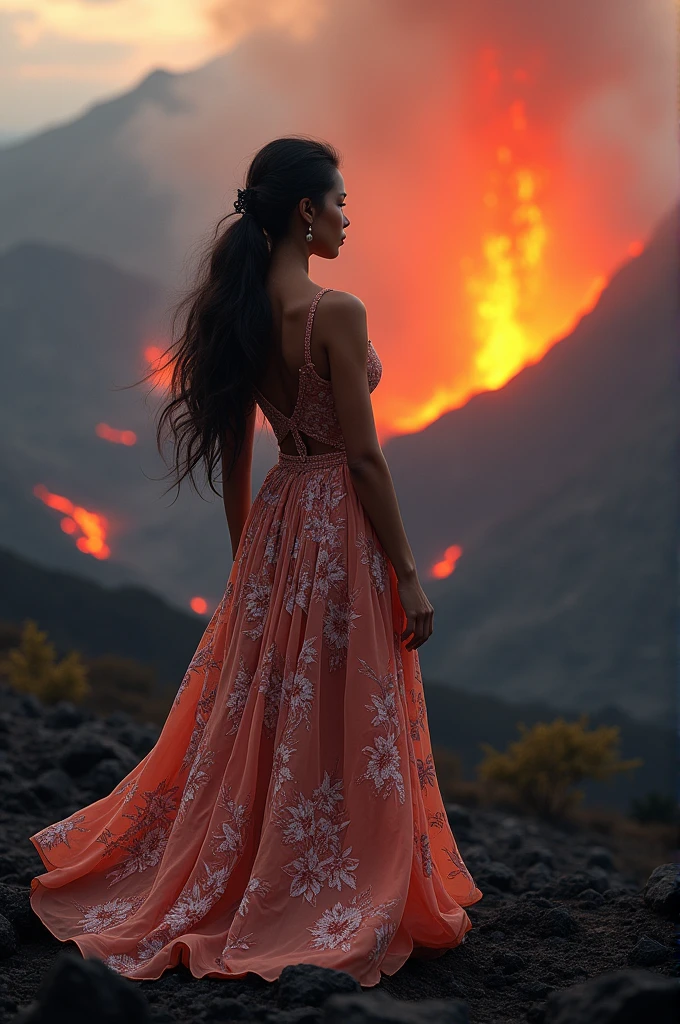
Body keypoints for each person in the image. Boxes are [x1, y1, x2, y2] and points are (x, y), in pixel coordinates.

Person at [28, 136, 483, 987]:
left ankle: (265, 865)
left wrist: (251, 564)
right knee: (350, 696)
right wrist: (410, 572)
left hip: (279, 517)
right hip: (338, 518)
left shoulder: (236, 310)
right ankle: (333, 878)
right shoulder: (334, 312)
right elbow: (364, 458)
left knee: (274, 702)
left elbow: (235, 456)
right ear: (305, 213)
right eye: (340, 202)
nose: (349, 217)